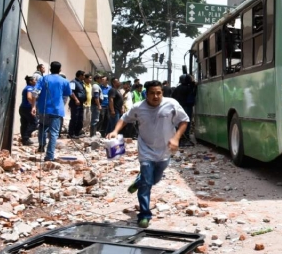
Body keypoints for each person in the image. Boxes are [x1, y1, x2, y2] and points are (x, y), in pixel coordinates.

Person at [106, 80, 189, 228]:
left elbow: (184, 120)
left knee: (154, 180)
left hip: (165, 150)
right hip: (146, 150)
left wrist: (176, 138)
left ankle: (138, 181)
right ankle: (144, 215)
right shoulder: (139, 107)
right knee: (147, 183)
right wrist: (115, 131)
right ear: (146, 94)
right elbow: (124, 119)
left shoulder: (171, 104)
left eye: (159, 93)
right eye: (152, 93)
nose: (156, 96)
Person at [35, 61, 71, 161]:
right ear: (60, 70)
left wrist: (34, 105)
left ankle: (42, 145)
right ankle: (49, 156)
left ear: (50, 69)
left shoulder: (43, 78)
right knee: (54, 133)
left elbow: (35, 92)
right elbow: (67, 93)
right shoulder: (65, 81)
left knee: (42, 127)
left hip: (43, 108)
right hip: (57, 110)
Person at [172, 74, 196, 146]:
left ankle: (180, 138)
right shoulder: (189, 88)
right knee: (186, 123)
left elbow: (173, 96)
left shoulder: (177, 88)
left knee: (179, 123)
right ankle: (185, 138)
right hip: (187, 107)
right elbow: (194, 88)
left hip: (179, 107)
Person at [19, 75, 38, 145]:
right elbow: (29, 97)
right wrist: (33, 105)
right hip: (28, 108)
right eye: (34, 80)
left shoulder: (27, 87)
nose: (36, 81)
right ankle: (25, 137)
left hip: (23, 108)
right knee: (35, 123)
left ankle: (24, 140)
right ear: (30, 81)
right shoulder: (30, 88)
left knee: (24, 124)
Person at [67, 70, 87, 138]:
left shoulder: (81, 83)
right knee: (74, 118)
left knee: (80, 118)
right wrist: (76, 99)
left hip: (81, 103)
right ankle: (71, 133)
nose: (84, 77)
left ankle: (77, 132)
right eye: (83, 75)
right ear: (80, 75)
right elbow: (70, 91)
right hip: (75, 103)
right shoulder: (73, 82)